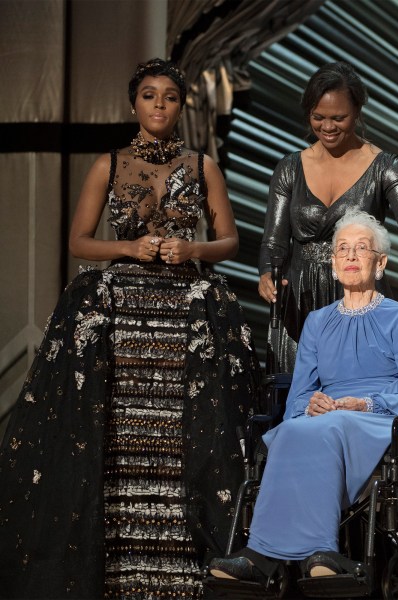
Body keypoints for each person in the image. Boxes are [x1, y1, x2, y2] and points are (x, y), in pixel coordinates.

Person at [0, 58, 258, 599]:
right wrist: (129, 247)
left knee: (180, 438)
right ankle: (115, 570)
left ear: (181, 106)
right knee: (116, 438)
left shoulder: (203, 166)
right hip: (121, 311)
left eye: (169, 96)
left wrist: (193, 249)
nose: (159, 105)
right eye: (149, 95)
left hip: (185, 310)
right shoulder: (109, 165)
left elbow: (231, 242)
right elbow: (79, 242)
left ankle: (183, 572)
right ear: (133, 103)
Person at [208, 209, 398, 582]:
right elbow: (300, 393)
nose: (351, 256)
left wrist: (366, 403)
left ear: (380, 263)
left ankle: (322, 551)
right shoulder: (317, 321)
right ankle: (260, 555)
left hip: (380, 419)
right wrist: (310, 404)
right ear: (334, 264)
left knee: (328, 428)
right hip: (328, 417)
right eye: (343, 249)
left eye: (362, 248)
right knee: (290, 430)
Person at [257, 61, 398, 373]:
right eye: (318, 117)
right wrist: (267, 273)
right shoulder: (289, 168)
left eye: (338, 118)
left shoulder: (384, 166)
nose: (327, 127)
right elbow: (274, 242)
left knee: (358, 390)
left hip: (359, 296)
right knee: (298, 393)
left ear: (357, 112)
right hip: (300, 302)